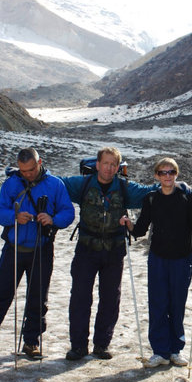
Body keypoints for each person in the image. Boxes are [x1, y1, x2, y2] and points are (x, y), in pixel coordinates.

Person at [0, 148, 75, 360]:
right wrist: (15, 216)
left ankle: (31, 342)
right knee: (0, 295)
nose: (28, 174)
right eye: (24, 170)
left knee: (37, 298)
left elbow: (68, 212)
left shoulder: (55, 184)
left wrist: (53, 220)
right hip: (14, 249)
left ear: (40, 163)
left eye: (32, 169)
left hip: (42, 248)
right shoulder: (11, 184)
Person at [59, 147, 160, 361]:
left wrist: (173, 184)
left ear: (118, 167)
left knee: (110, 298)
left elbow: (148, 192)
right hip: (86, 249)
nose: (109, 168)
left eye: (113, 164)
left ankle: (101, 344)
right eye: (105, 163)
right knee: (79, 297)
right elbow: (57, 184)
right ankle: (77, 346)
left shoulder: (124, 188)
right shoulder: (82, 184)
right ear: (97, 165)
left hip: (114, 251)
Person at [119, 158, 192, 368]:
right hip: (158, 258)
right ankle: (160, 351)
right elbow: (140, 229)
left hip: (182, 258)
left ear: (176, 174)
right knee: (158, 303)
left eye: (171, 172)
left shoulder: (186, 196)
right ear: (156, 176)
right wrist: (128, 224)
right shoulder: (151, 199)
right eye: (163, 172)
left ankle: (176, 350)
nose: (167, 176)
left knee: (177, 304)